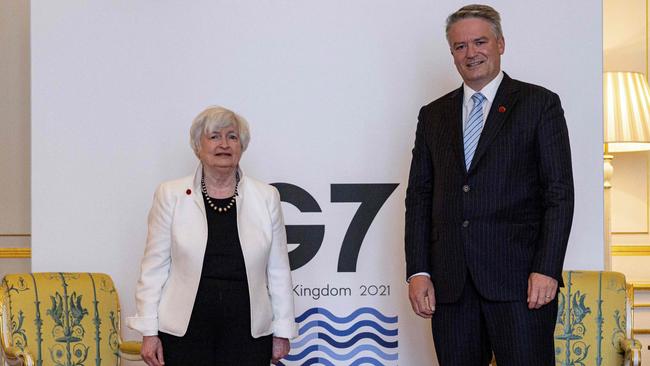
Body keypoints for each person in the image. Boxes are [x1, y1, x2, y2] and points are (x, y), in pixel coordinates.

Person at [404, 4, 574, 365]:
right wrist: (418, 271)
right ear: (452, 54)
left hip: (521, 284)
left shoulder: (539, 104)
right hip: (452, 287)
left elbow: (558, 194)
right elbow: (418, 198)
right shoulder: (432, 115)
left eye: (479, 42)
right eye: (460, 46)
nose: (471, 53)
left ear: (500, 43)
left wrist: (546, 268)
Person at [127, 106, 298, 366]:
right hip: (184, 329)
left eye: (232, 137)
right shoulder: (170, 194)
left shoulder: (266, 197)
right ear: (198, 146)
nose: (224, 144)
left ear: (242, 146)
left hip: (248, 329)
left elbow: (278, 270)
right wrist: (149, 331)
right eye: (214, 136)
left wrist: (282, 330)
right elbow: (154, 267)